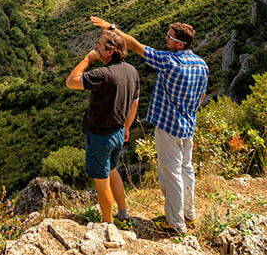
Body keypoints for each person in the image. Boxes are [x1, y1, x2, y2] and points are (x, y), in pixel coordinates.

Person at [90, 16, 209, 236]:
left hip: (168, 127)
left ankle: (175, 224)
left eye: (170, 37)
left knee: (171, 174)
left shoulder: (169, 61)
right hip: (188, 126)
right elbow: (201, 97)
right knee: (186, 170)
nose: (166, 39)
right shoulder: (202, 65)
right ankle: (189, 215)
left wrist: (111, 28)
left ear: (179, 44)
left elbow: (135, 46)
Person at [66, 29, 140, 230]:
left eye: (100, 44)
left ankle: (108, 226)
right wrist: (126, 127)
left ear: (111, 51)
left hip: (100, 136)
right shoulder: (132, 71)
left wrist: (87, 60)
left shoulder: (103, 74)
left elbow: (71, 81)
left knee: (102, 182)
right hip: (117, 132)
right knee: (113, 170)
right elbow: (134, 103)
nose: (96, 47)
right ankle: (123, 215)